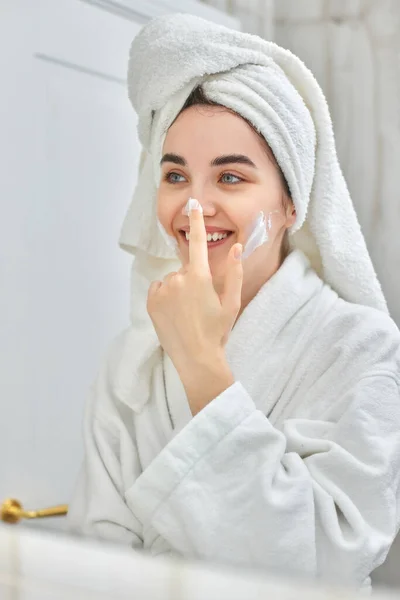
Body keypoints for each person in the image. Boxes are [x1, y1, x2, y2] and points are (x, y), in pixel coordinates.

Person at [67, 13, 400, 591]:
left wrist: (202, 368)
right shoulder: (131, 362)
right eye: (175, 177)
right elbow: (97, 565)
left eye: (230, 179)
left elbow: (325, 560)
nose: (193, 208)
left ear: (292, 203)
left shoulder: (360, 349)